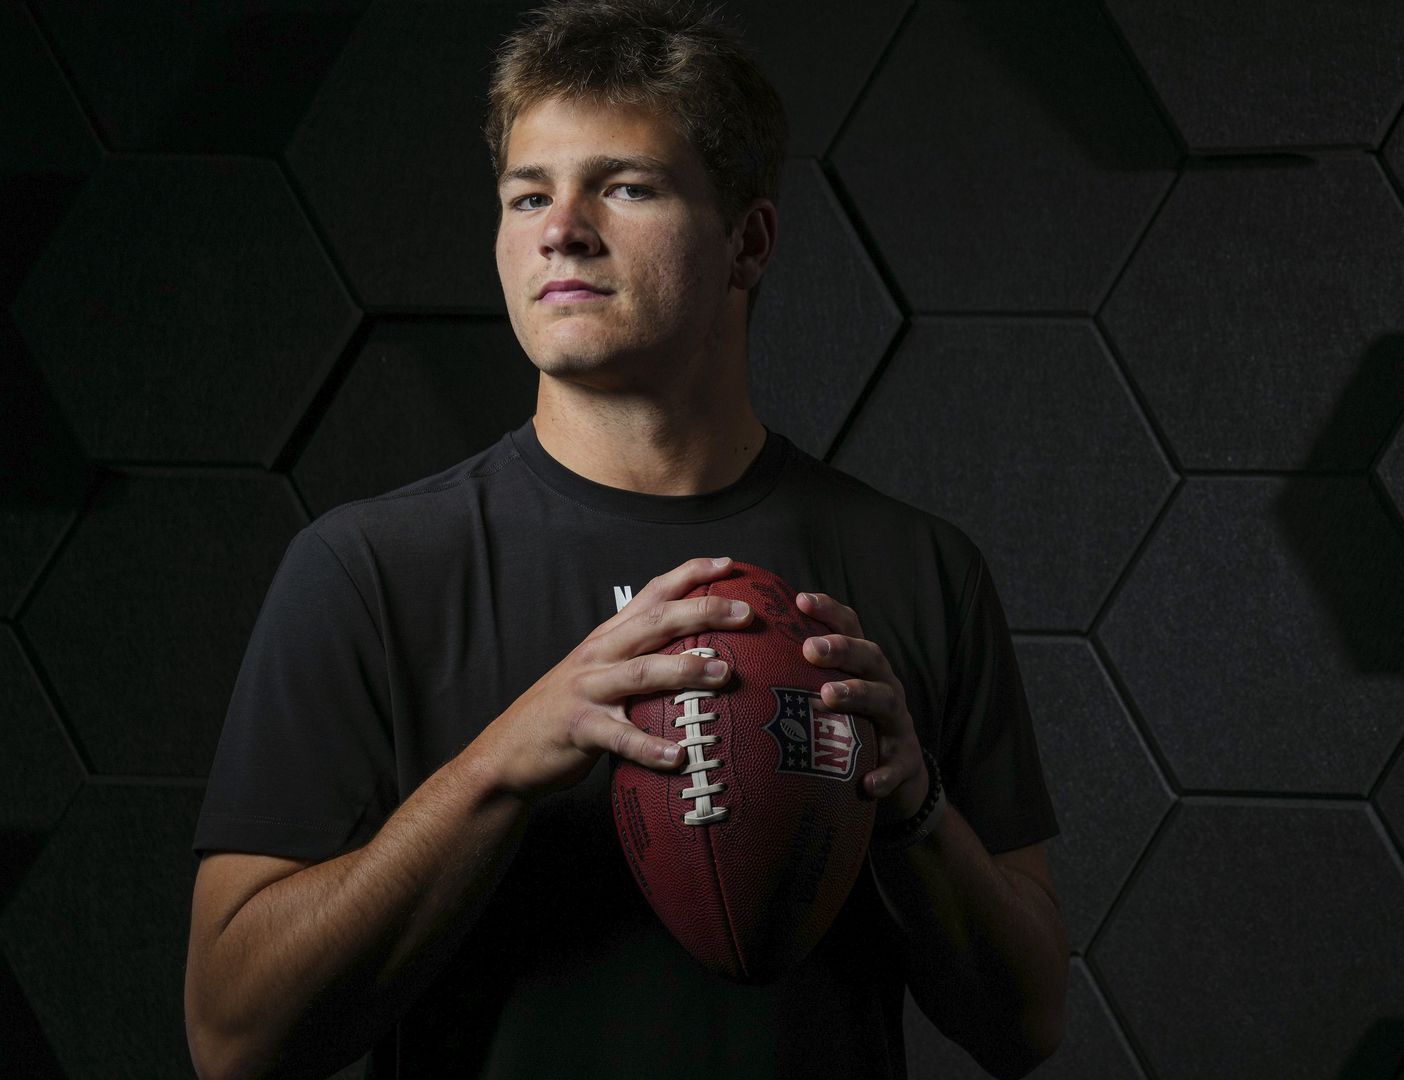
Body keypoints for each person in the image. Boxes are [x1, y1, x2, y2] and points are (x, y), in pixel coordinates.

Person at [182, 1, 1067, 1076]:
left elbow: (1028, 1030)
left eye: (626, 185)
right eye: (527, 193)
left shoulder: (916, 570)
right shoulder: (366, 572)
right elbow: (232, 1037)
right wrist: (504, 763)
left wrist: (916, 811)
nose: (562, 226)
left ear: (748, 242)